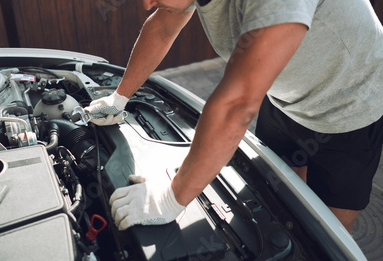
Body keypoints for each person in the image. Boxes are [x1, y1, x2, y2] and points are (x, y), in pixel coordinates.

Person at [85, 0, 383, 233]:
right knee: (282, 195)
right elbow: (163, 25)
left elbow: (237, 105)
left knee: (327, 231)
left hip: (349, 108)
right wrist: (119, 97)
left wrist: (171, 197)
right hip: (284, 98)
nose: (146, 3)